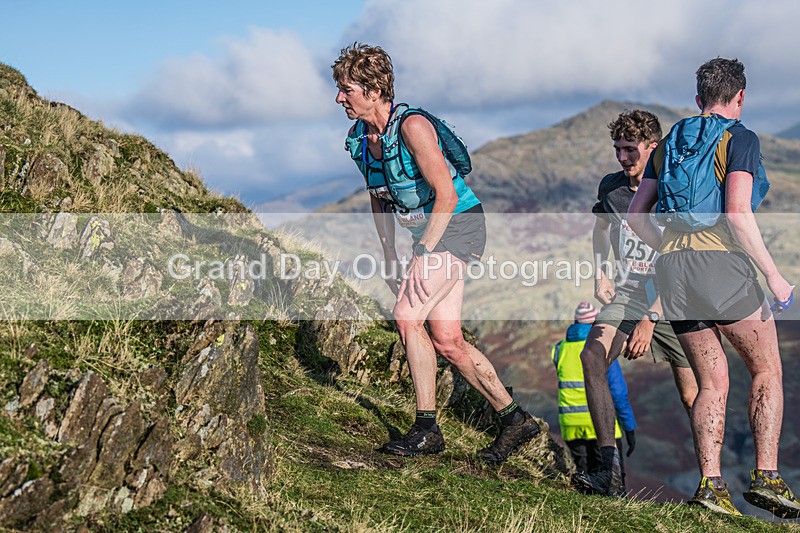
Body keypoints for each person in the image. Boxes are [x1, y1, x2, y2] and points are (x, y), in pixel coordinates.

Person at [331, 43, 540, 462]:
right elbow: (379, 197)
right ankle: (514, 419)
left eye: (347, 88)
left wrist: (423, 253)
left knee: (408, 315)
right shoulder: (360, 140)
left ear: (374, 90)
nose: (339, 97)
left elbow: (445, 194)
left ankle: (427, 429)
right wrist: (391, 254)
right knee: (447, 340)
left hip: (458, 225)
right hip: (426, 234)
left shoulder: (412, 127)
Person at [628, 57, 800, 517]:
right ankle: (767, 477)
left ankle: (711, 487)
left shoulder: (668, 144)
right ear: (740, 96)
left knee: (711, 382)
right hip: (721, 267)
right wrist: (774, 276)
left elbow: (635, 217)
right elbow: (738, 213)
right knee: (766, 369)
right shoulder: (740, 138)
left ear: (699, 97)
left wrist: (671, 246)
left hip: (674, 270)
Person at [571, 110, 698, 497]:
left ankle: (712, 484)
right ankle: (607, 471)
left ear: (652, 147)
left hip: (675, 297)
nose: (623, 158)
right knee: (591, 356)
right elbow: (600, 228)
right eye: (618, 149)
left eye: (631, 149)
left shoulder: (673, 189)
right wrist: (600, 272)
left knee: (694, 394)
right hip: (627, 293)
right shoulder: (611, 188)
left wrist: (651, 319)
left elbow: (683, 259)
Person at [552, 302, 636, 481]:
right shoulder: (600, 349)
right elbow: (618, 392)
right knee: (612, 478)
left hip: (571, 424)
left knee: (584, 477)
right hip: (599, 422)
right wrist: (629, 427)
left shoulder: (560, 349)